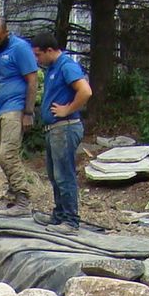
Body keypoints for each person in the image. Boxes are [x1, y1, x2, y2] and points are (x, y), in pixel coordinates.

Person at [31, 31, 91, 231]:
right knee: (55, 174)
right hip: (53, 130)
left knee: (64, 175)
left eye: (38, 55)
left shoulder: (66, 66)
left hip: (64, 128)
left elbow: (85, 91)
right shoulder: (52, 68)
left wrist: (68, 109)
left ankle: (71, 221)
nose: (37, 59)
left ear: (49, 50)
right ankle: (59, 215)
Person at [0, 16, 39, 214]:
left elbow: (32, 81)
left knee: (8, 155)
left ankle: (23, 199)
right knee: (1, 156)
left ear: (6, 33)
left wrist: (28, 112)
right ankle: (13, 193)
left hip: (14, 109)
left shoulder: (20, 48)